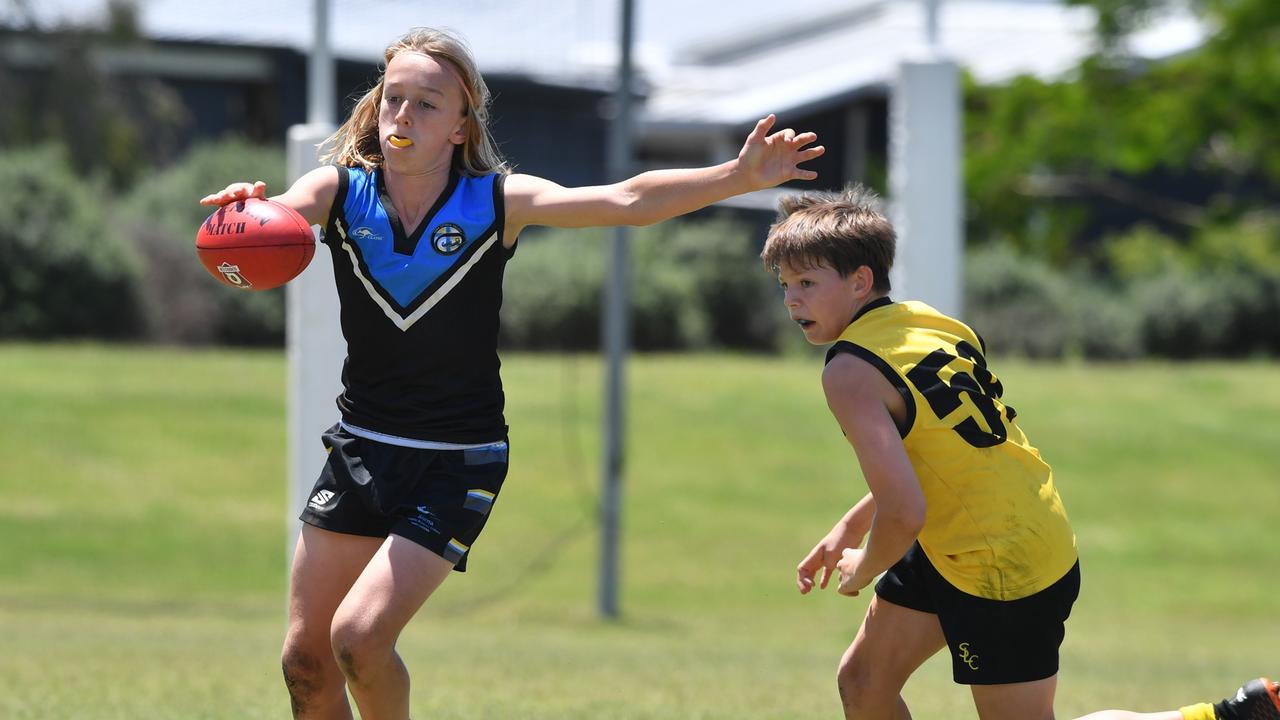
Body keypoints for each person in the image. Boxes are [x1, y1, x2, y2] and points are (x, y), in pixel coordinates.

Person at [199, 26, 822, 720]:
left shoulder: (496, 202)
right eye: (393, 99)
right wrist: (245, 212)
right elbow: (276, 217)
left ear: (462, 126)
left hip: (454, 459)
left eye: (427, 104)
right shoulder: (340, 192)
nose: (404, 116)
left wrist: (736, 177)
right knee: (304, 663)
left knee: (360, 638)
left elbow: (624, 200)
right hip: (362, 447)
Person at [760, 185, 1279, 720]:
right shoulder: (927, 323)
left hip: (1002, 562)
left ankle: (1226, 716)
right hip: (973, 536)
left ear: (860, 281)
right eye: (784, 286)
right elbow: (946, 455)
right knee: (865, 682)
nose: (791, 300)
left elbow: (905, 511)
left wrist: (864, 564)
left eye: (806, 282)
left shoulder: (849, 371)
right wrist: (851, 525)